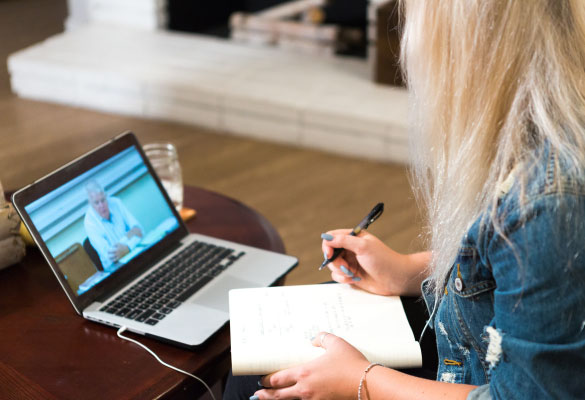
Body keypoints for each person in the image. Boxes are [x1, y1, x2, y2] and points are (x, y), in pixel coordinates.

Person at [225, 0, 585, 399]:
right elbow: (516, 275)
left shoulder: (548, 200)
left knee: (255, 384)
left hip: (477, 380)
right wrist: (406, 270)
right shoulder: (536, 141)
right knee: (253, 371)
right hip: (466, 358)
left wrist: (361, 381)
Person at [84, 179, 143, 271]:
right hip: (117, 269)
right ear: (90, 203)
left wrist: (127, 248)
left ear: (106, 196)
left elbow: (139, 230)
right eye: (96, 202)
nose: (101, 205)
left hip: (135, 256)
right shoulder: (89, 222)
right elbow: (111, 256)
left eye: (103, 200)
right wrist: (129, 236)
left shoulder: (116, 203)